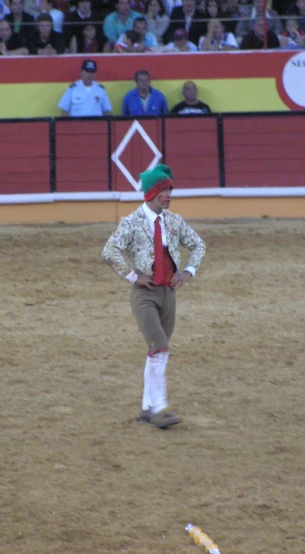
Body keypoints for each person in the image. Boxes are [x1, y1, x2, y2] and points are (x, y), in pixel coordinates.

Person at [101, 164, 206, 429]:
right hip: (144, 295)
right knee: (159, 347)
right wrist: (133, 276)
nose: (169, 195)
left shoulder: (173, 221)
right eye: (164, 190)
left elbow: (198, 244)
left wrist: (188, 272)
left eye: (170, 190)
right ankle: (160, 407)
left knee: (155, 352)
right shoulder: (133, 222)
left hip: (168, 294)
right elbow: (109, 250)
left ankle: (147, 408)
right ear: (151, 194)